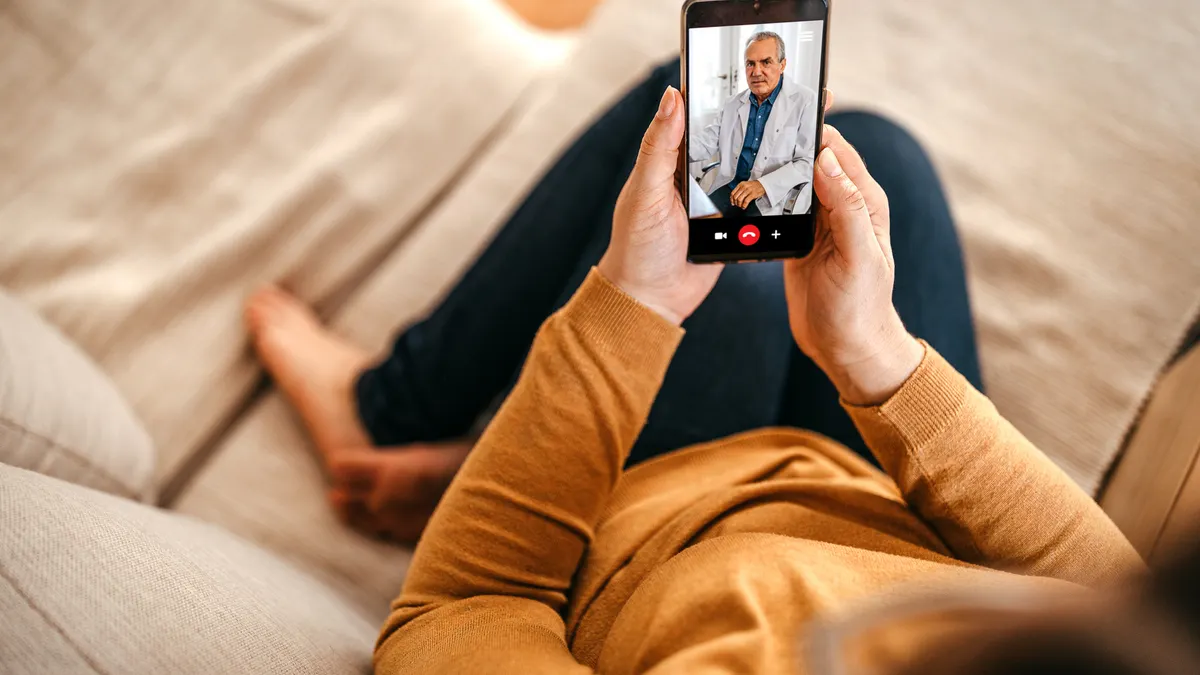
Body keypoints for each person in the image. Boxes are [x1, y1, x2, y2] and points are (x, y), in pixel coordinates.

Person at [244, 62, 1145, 671]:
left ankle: (397, 411)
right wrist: (876, 359)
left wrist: (631, 306)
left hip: (663, 513)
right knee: (877, 159)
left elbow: (460, 606)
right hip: (890, 492)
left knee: (710, 202)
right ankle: (467, 461)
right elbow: (1121, 604)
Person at [689, 31, 819, 218]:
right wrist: (673, 149)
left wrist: (762, 185)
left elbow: (807, 162)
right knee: (698, 224)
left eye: (766, 62)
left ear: (782, 65)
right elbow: (708, 140)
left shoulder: (806, 100)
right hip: (731, 188)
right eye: (750, 64)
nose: (756, 72)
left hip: (771, 196)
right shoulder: (733, 103)